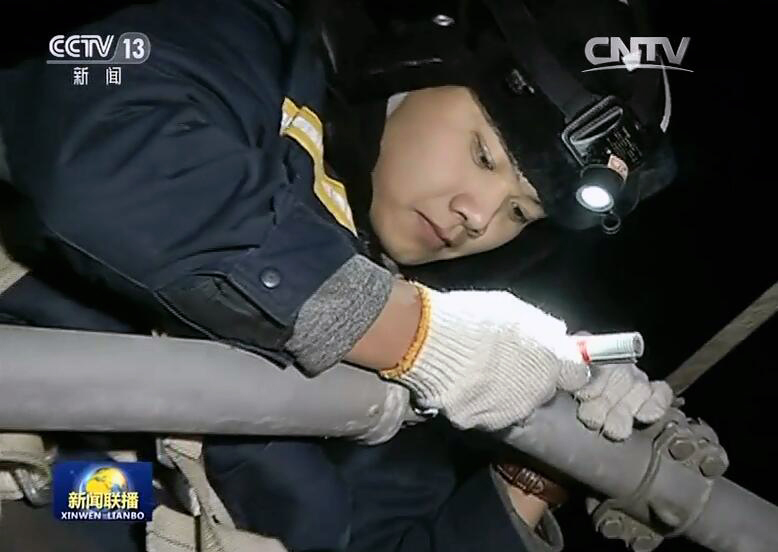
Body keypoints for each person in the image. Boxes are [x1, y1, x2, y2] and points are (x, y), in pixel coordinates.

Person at [0, 0, 676, 550]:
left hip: (86, 501)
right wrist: (409, 332)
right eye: (483, 154)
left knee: (90, 501)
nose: (478, 216)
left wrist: (540, 458)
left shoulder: (419, 364)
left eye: (520, 212)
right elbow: (93, 136)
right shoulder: (248, 41)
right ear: (423, 61)